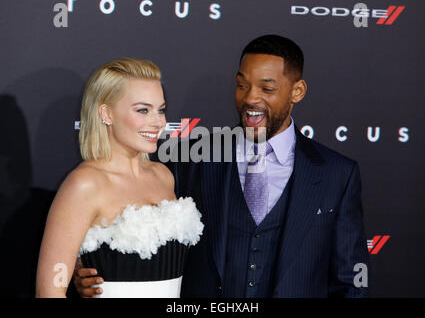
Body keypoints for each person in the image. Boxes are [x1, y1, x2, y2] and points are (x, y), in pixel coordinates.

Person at [74, 35, 369, 298]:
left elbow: (350, 282)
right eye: (242, 85)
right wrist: (82, 267)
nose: (250, 98)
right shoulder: (188, 158)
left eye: (267, 88)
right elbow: (117, 208)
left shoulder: (336, 173)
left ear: (297, 91)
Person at [36, 58, 204, 298]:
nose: (159, 122)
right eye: (143, 110)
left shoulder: (163, 176)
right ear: (106, 113)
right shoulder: (85, 185)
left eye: (161, 109)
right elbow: (49, 293)